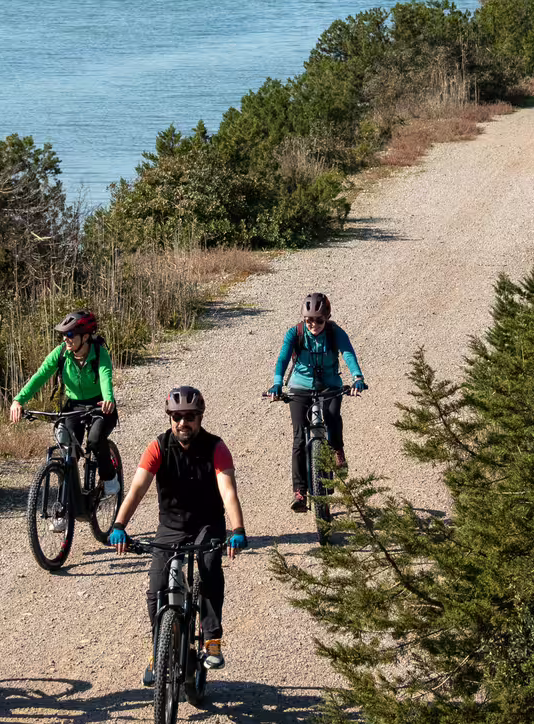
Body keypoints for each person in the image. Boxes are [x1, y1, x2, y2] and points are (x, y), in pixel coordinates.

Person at [107, 386, 247, 683]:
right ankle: (158, 649)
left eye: (190, 417)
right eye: (177, 417)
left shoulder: (215, 447)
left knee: (209, 568)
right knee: (156, 587)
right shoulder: (158, 446)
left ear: (200, 417)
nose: (183, 423)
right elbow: (136, 490)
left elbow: (228, 493)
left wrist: (238, 529)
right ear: (170, 417)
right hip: (170, 526)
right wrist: (119, 526)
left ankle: (211, 639)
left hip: (207, 524)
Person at [10, 310, 121, 516]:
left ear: (85, 336)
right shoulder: (61, 353)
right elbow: (40, 376)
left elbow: (105, 376)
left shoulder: (99, 352)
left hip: (100, 406)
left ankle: (109, 478)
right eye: (64, 335)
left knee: (96, 440)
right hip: (74, 407)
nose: (65, 339)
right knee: (67, 451)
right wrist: (19, 400)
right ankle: (62, 507)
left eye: (70, 335)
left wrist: (108, 398)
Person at [265, 291, 367, 512]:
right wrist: (276, 384)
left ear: (327, 317)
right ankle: (300, 492)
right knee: (299, 438)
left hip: (330, 384)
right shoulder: (295, 333)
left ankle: (337, 450)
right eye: (309, 320)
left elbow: (348, 353)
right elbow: (283, 358)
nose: (313, 324)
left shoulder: (335, 332)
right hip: (300, 387)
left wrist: (357, 377)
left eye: (319, 320)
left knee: (332, 415)